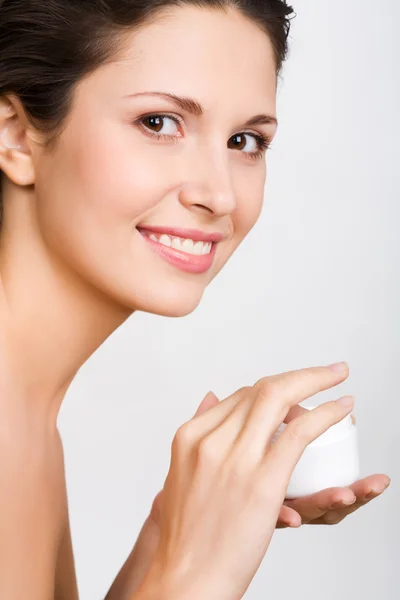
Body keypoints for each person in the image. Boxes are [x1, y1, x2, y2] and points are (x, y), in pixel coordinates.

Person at [0, 1, 391, 598]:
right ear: (18, 136)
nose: (219, 195)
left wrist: (174, 532)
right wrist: (195, 582)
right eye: (159, 123)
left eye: (245, 140)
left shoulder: (23, 407)